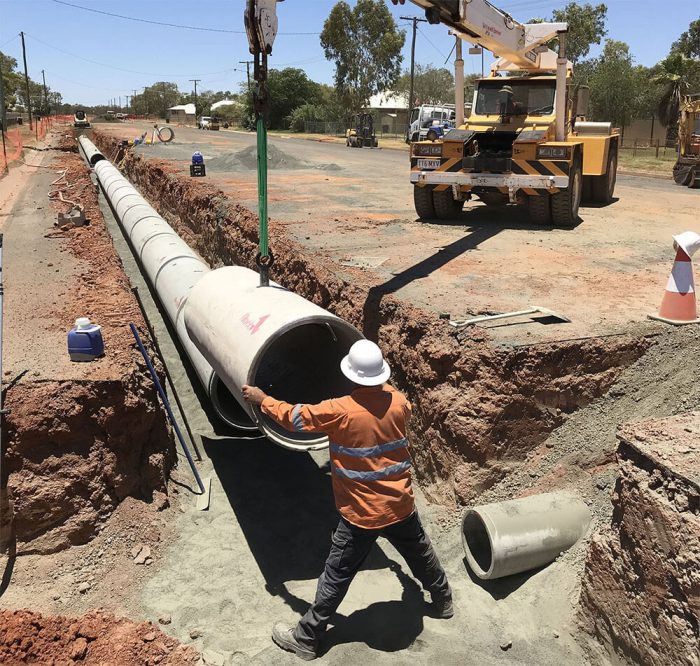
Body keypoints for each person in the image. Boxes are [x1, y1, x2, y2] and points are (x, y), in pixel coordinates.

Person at [242, 339, 453, 661]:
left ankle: (306, 637)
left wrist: (263, 399)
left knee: (336, 575)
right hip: (399, 504)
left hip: (361, 515)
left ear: (353, 376)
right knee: (420, 553)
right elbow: (389, 406)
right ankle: (443, 601)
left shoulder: (339, 410)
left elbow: (293, 418)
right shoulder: (399, 402)